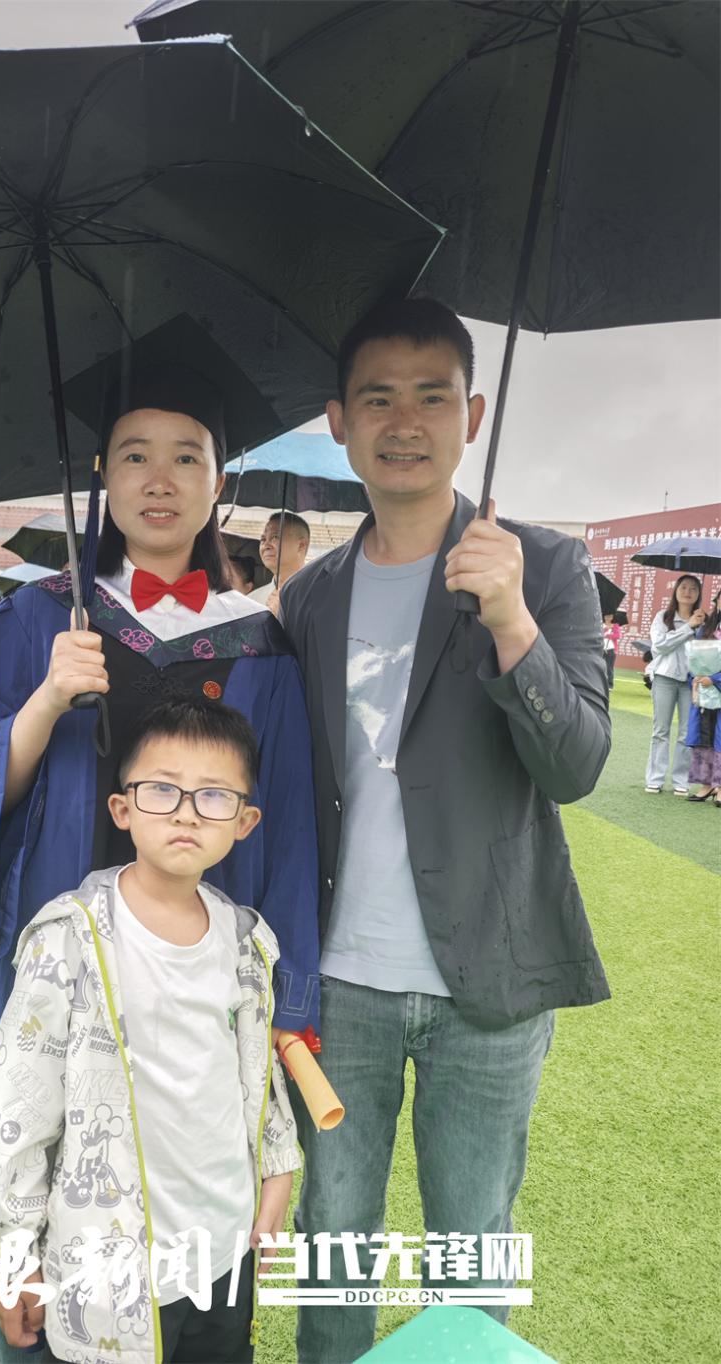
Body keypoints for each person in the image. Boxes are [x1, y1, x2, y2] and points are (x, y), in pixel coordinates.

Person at [0, 329, 321, 1354]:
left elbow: (284, 836)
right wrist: (48, 697)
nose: (160, 478)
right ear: (101, 472)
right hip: (69, 972)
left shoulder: (259, 645)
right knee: (44, 1157)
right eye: (135, 454)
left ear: (219, 480)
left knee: (197, 1206)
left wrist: (290, 1007)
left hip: (199, 974)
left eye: (187, 455)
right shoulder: (31, 624)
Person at [279, 297, 611, 1362]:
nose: (405, 421)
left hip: (490, 984)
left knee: (471, 1252)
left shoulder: (543, 567)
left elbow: (576, 765)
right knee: (333, 1240)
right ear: (340, 421)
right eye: (378, 397)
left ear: (472, 415)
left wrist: (510, 617)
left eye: (432, 396)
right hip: (339, 985)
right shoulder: (309, 597)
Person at [0, 700, 300, 1364]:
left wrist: (278, 1174)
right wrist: (12, 1253)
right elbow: (15, 1104)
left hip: (223, 1254)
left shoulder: (245, 940)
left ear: (245, 822)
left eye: (214, 795)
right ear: (123, 809)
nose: (186, 813)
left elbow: (255, 1074)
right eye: (162, 789)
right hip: (106, 1274)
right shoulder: (70, 939)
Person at [645, 574, 705, 795]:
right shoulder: (663, 617)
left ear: (699, 594)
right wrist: (688, 627)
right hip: (664, 678)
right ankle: (655, 778)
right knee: (660, 730)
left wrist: (700, 627)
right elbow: (659, 646)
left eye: (693, 588)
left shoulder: (703, 619)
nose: (688, 592)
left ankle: (681, 781)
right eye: (684, 587)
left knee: (686, 733)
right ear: (676, 591)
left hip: (691, 682)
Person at [684, 589, 721, 806]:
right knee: (705, 735)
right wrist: (698, 677)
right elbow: (696, 657)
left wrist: (715, 678)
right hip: (706, 693)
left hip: (716, 685)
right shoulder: (706, 628)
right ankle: (706, 784)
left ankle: (720, 786)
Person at [250, 512, 311, 612]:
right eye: (263, 539)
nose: (266, 545)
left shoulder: (322, 595)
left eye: (275, 537)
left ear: (301, 545)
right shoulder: (252, 600)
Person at [602, 611, 622, 690]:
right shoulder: (601, 625)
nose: (608, 618)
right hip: (602, 648)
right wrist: (605, 631)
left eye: (610, 616)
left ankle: (610, 685)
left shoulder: (615, 625)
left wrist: (609, 635)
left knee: (609, 667)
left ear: (612, 617)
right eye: (606, 616)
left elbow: (618, 635)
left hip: (611, 649)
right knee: (600, 666)